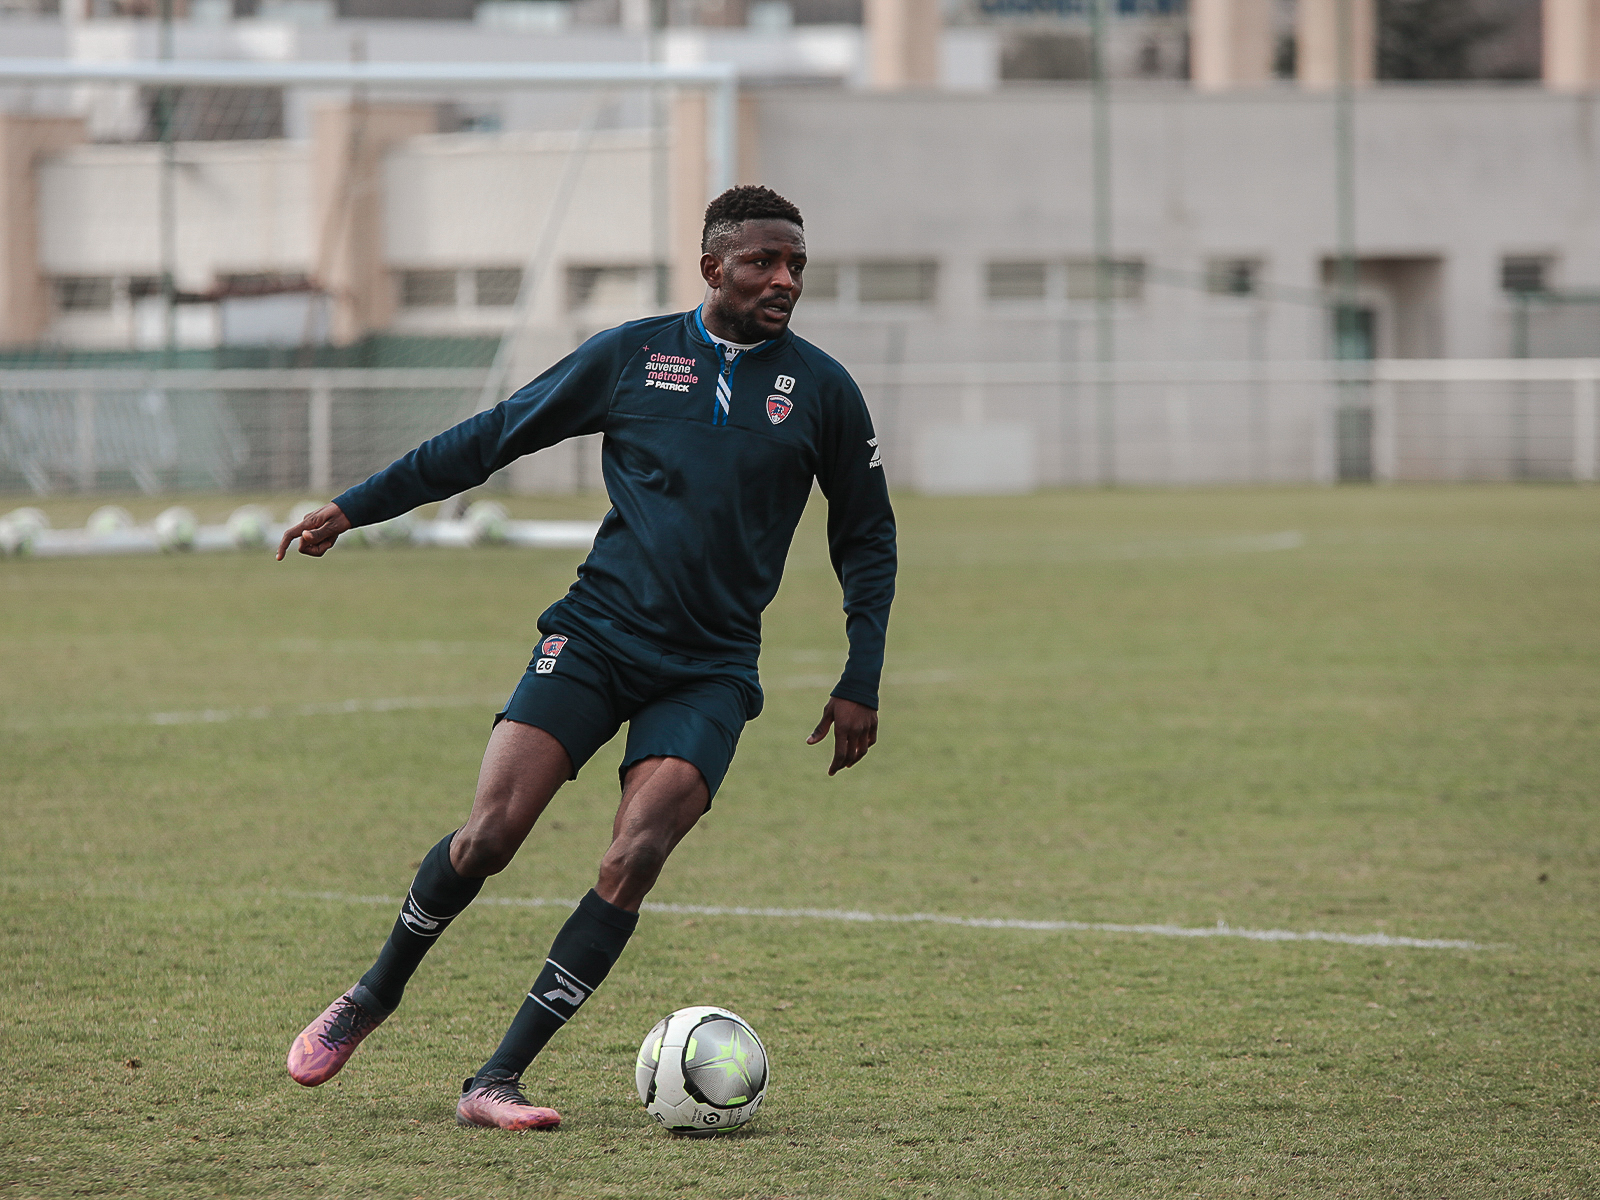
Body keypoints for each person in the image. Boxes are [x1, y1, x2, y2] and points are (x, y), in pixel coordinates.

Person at [275, 185, 897, 1131]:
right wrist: (355, 507)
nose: (784, 280)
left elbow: (867, 537)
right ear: (712, 267)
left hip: (711, 668)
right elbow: (491, 438)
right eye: (765, 262)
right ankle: (372, 995)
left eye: (797, 265)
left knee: (634, 853)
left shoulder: (823, 391)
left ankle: (495, 1080)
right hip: (597, 635)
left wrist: (862, 674)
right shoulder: (633, 357)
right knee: (489, 836)